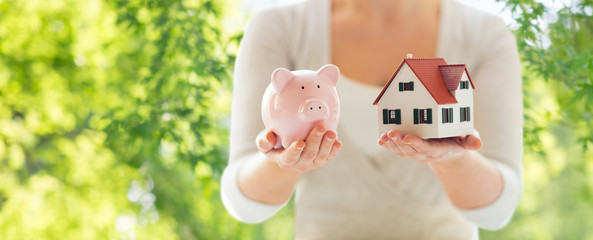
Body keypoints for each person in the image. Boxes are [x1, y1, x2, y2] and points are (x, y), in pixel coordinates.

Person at [221, 0, 523, 238]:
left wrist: (454, 160)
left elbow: (496, 211)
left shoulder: (485, 34)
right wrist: (282, 162)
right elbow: (243, 201)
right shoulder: (280, 28)